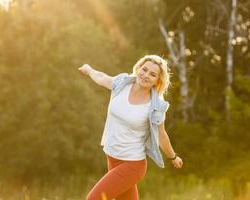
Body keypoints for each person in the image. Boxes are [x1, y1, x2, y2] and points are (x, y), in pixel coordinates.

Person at [78, 55, 183, 200]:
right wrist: (89, 70)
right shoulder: (122, 84)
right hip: (112, 156)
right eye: (144, 69)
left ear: (157, 81)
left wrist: (173, 156)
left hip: (132, 164)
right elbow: (102, 78)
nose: (146, 75)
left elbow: (161, 135)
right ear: (138, 68)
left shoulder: (155, 106)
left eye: (152, 74)